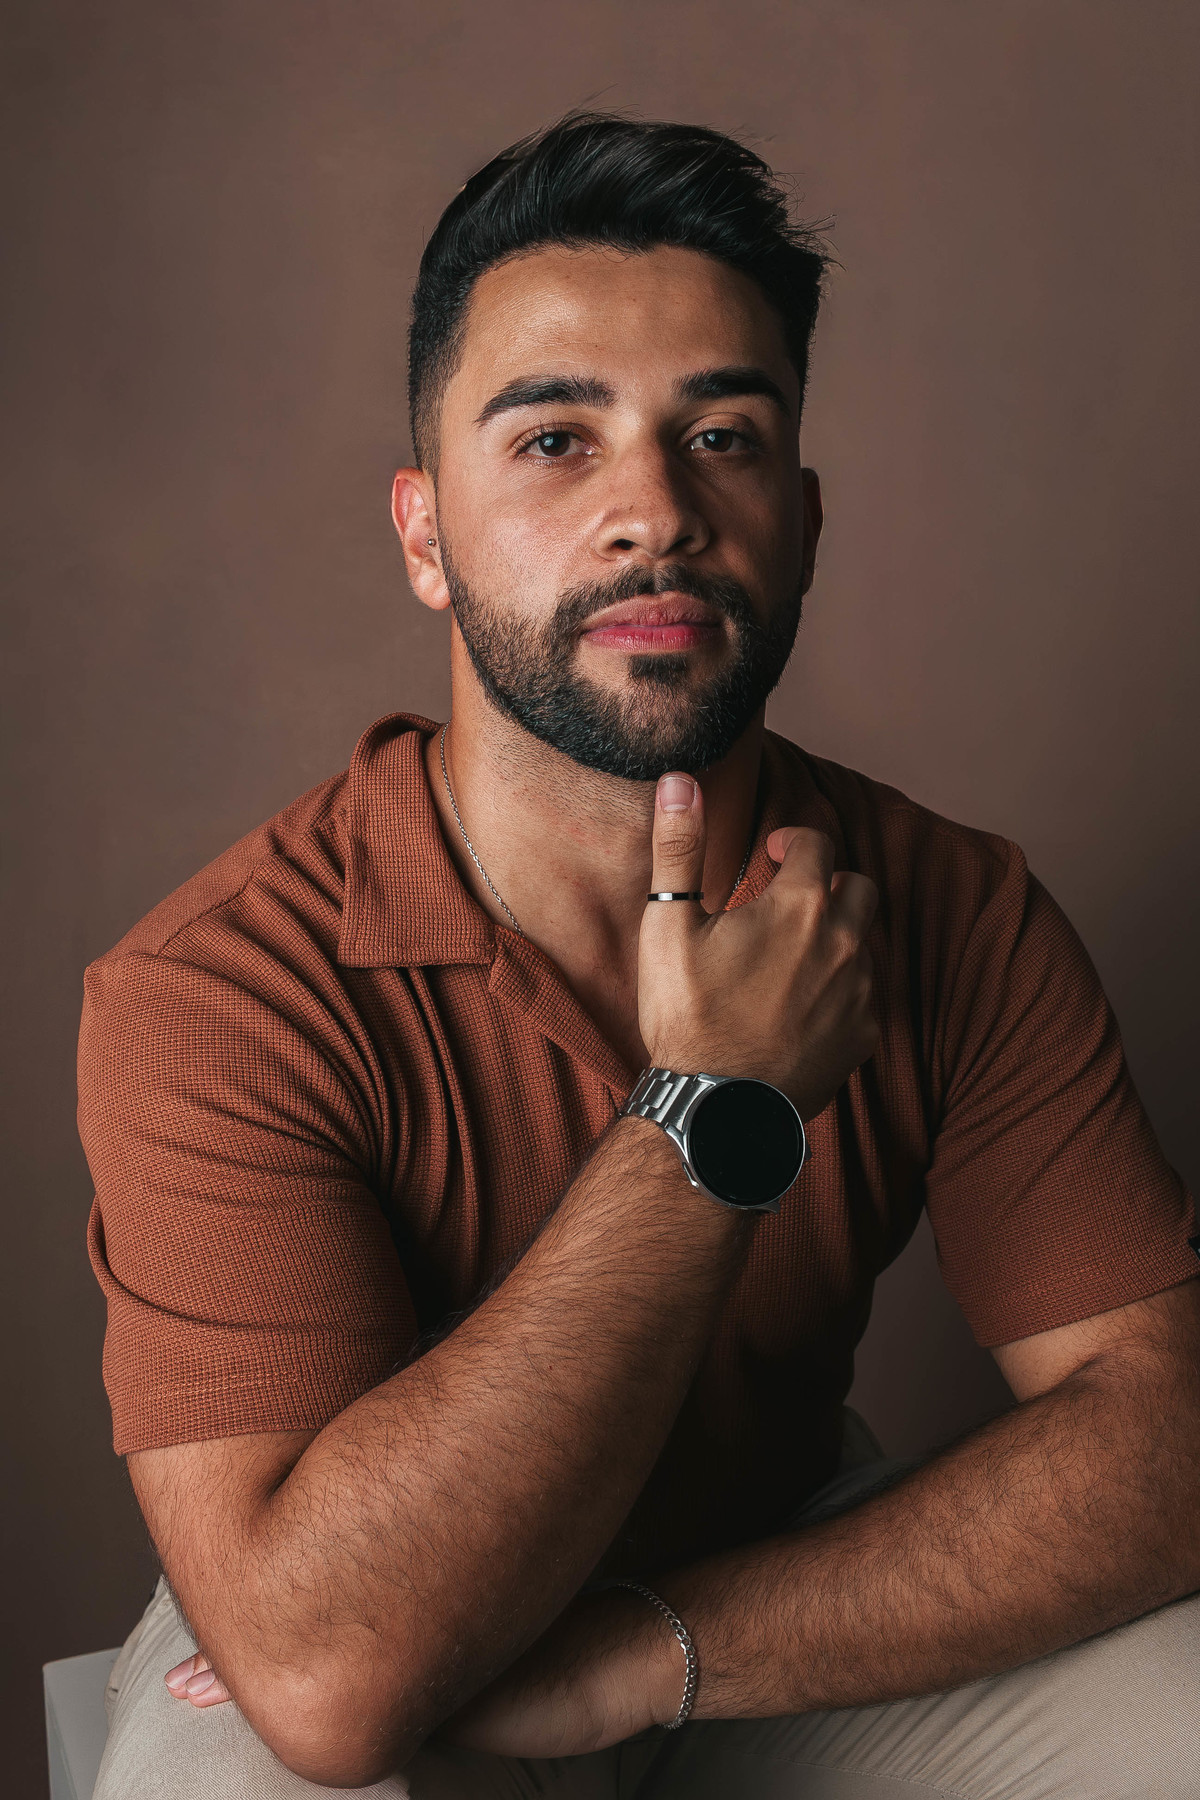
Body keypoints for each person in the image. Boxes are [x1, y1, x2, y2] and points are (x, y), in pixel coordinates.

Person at [78, 114, 1200, 1800]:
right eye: (554, 441)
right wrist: (715, 1106)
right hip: (376, 1619)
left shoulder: (950, 908)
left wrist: (644, 1655)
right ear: (423, 534)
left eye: (721, 436)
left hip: (762, 1594)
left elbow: (1168, 1433)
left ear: (800, 522)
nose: (654, 514)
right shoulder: (218, 993)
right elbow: (320, 1670)